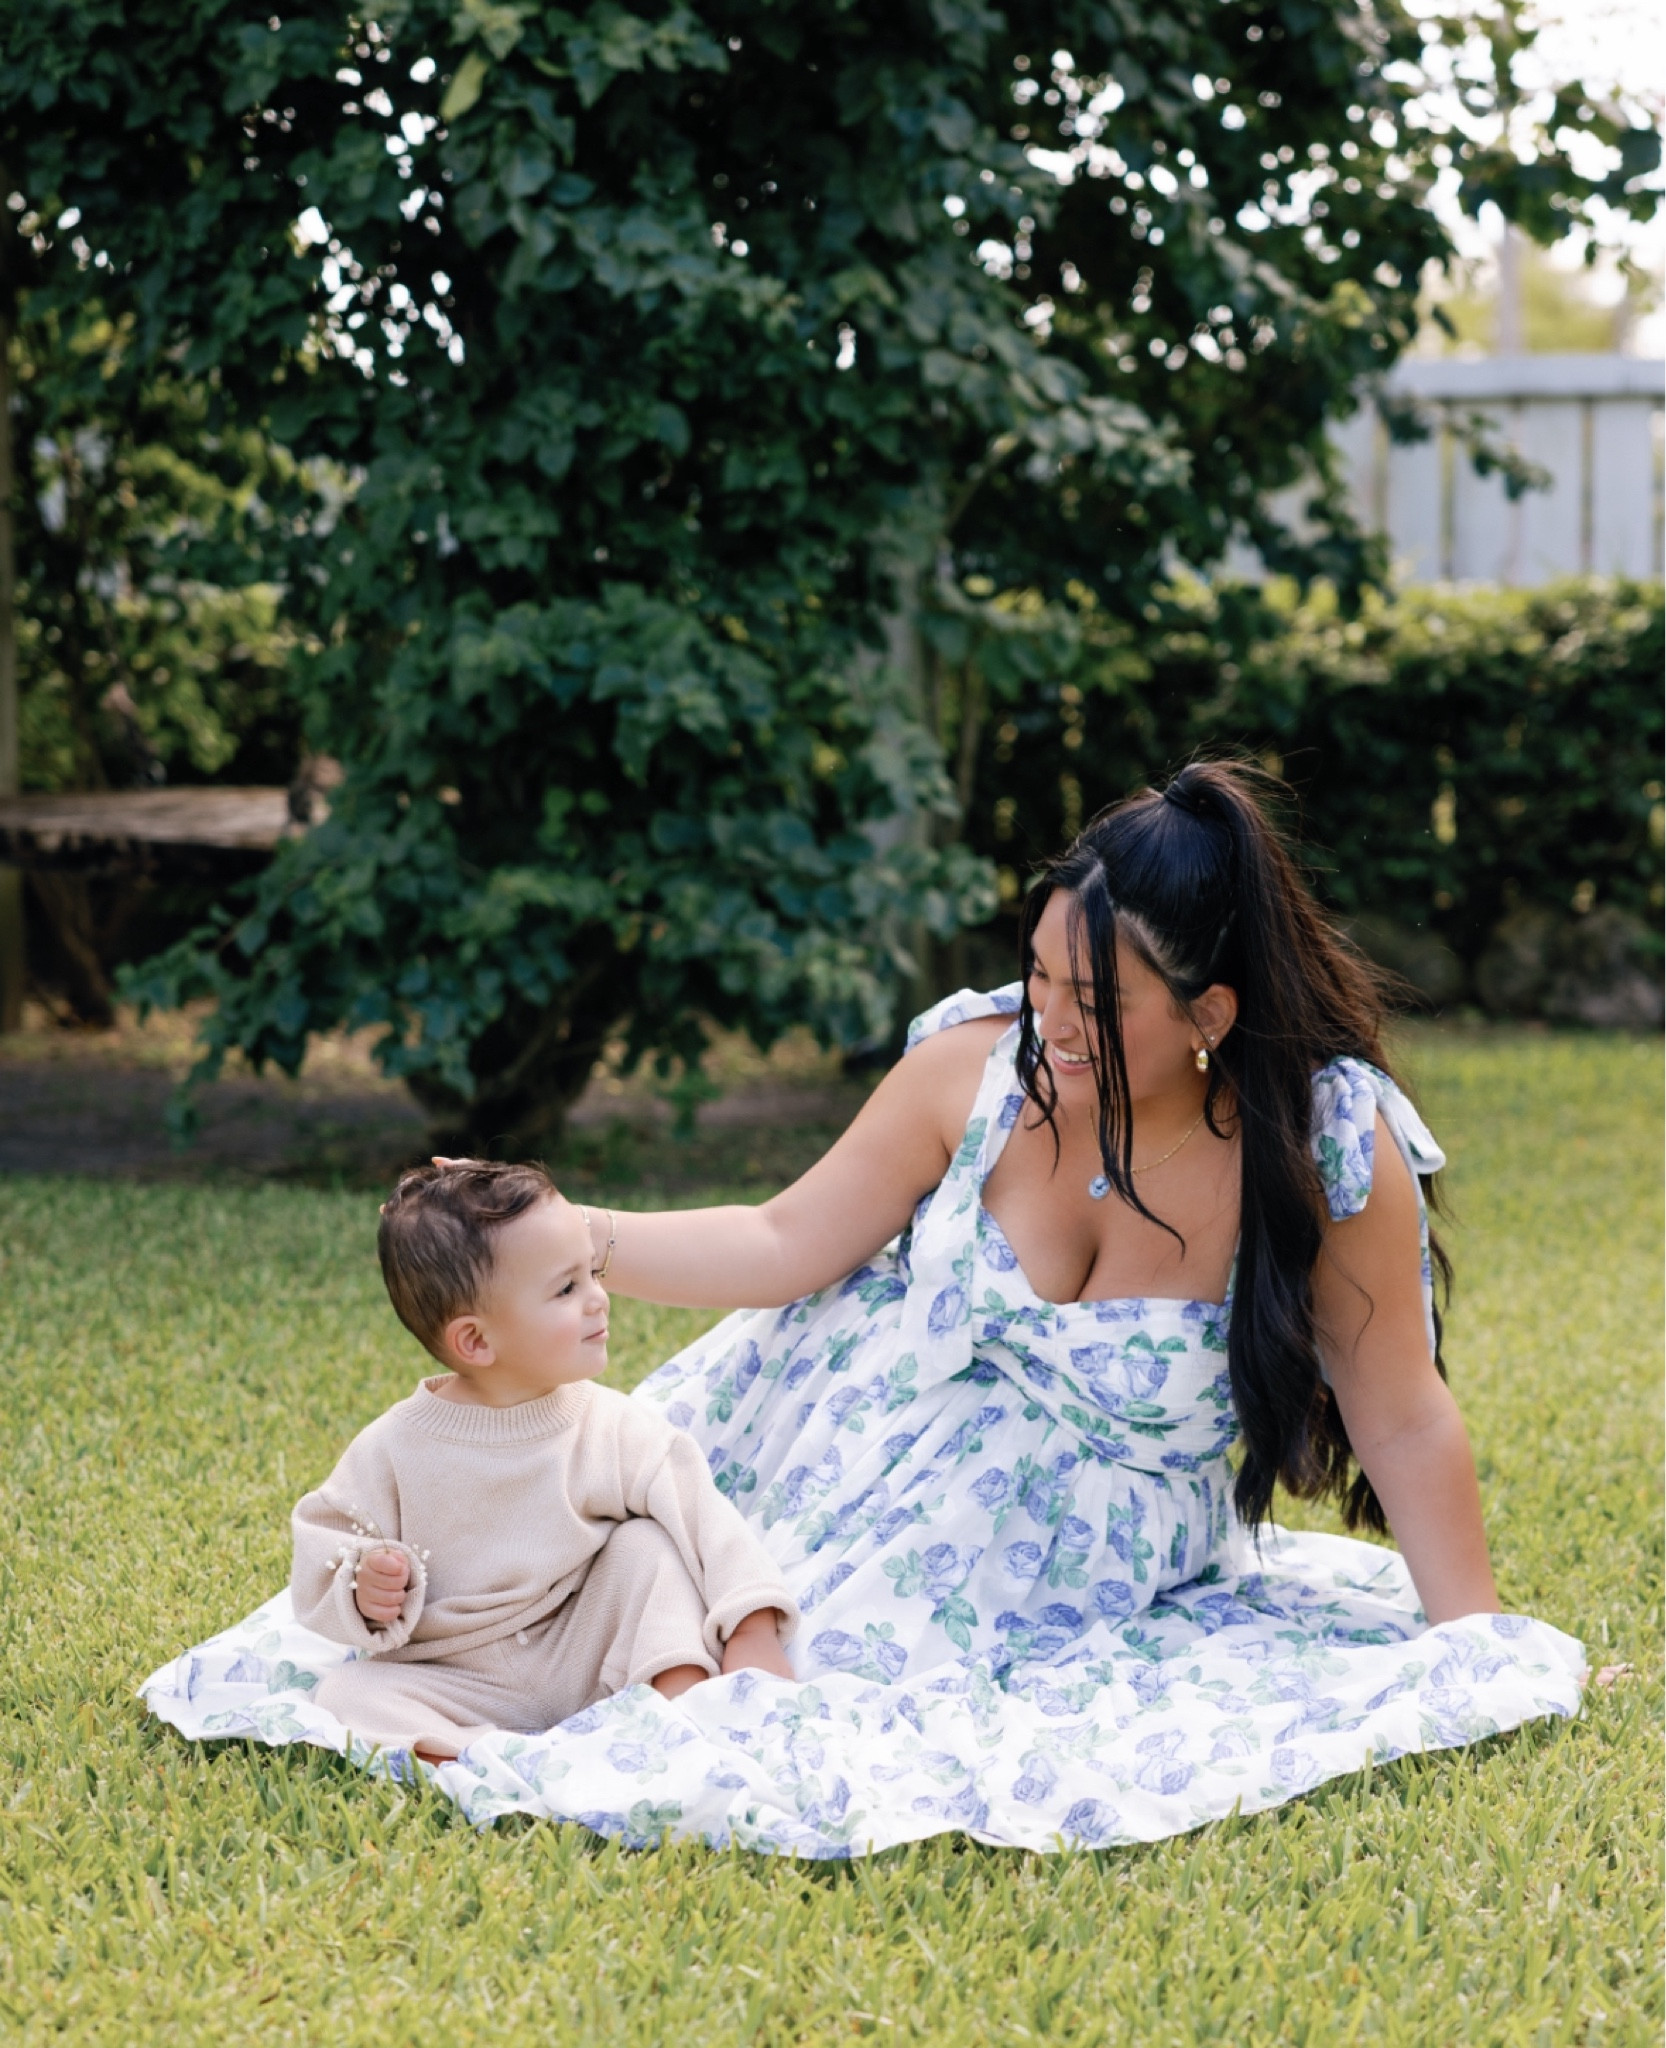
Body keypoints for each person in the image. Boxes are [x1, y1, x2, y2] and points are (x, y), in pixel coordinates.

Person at [289, 1160, 796, 1762]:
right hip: (456, 1673)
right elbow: (327, 1542)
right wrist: (364, 1582)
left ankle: (680, 1714)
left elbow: (706, 1521)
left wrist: (751, 1629)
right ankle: (484, 1756)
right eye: (566, 1288)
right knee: (346, 1693)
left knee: (648, 1551)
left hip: (583, 1647)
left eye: (591, 1273)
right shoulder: (395, 1445)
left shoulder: (607, 1424)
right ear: (476, 1340)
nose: (598, 1300)